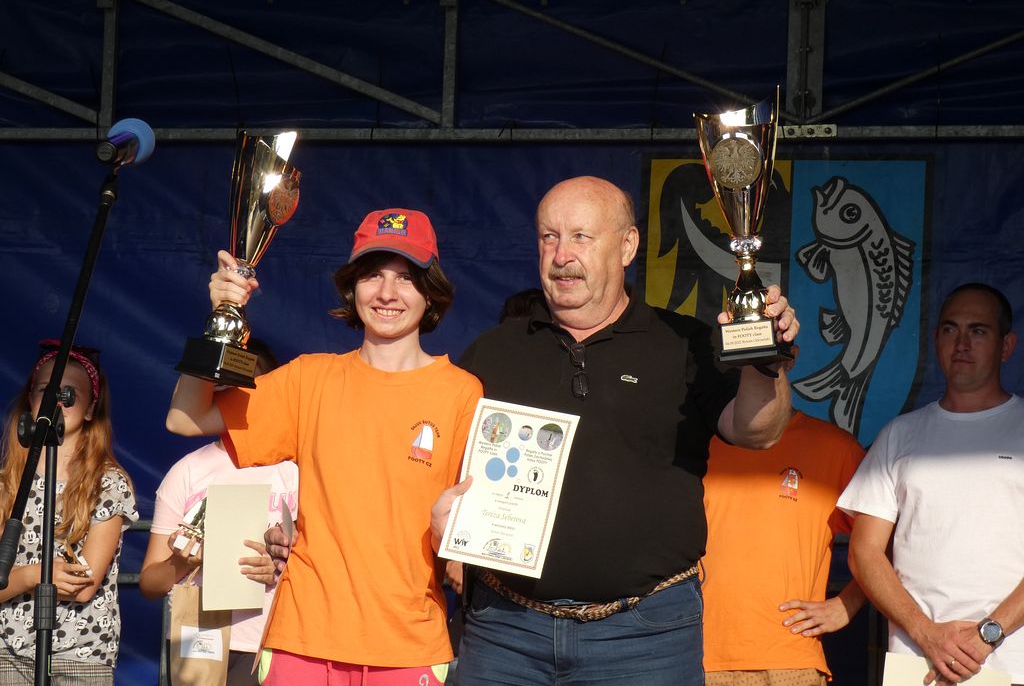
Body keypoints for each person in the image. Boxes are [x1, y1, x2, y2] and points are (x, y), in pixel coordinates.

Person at [431, 175, 800, 686]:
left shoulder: (683, 343)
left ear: (627, 246)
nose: (561, 255)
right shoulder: (492, 352)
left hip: (646, 638)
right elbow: (443, 467)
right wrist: (446, 520)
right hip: (506, 633)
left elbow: (758, 432)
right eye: (549, 237)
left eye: (581, 237)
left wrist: (765, 362)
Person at [166, 208, 483, 686]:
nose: (388, 293)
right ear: (352, 288)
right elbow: (185, 417)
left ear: (430, 291)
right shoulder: (308, 379)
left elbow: (470, 535)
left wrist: (453, 541)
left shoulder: (463, 392)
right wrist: (220, 320)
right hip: (302, 640)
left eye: (406, 277)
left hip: (408, 643)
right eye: (372, 275)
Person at [839, 282, 1024, 685]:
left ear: (1006, 346)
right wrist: (926, 633)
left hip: (1012, 663)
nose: (962, 343)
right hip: (916, 664)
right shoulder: (899, 435)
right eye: (950, 329)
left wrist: (987, 635)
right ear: (936, 339)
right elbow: (864, 551)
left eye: (978, 330)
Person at [140, 338, 296, 685]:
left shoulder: (293, 471)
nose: (235, 392)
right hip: (199, 639)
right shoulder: (188, 471)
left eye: (249, 381)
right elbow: (150, 584)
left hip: (273, 642)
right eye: (224, 381)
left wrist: (277, 567)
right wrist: (183, 562)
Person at [702, 394, 866, 686]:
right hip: (694, 655)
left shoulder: (834, 447)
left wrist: (847, 604)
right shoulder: (693, 444)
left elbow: (891, 542)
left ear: (787, 368)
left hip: (789, 660)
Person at [0, 340, 138, 685]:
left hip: (80, 655)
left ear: (91, 408)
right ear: (31, 399)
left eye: (69, 393)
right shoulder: (7, 483)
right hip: (7, 651)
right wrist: (33, 575)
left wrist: (15, 579)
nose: (56, 401)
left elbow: (83, 586)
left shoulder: (108, 482)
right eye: (46, 390)